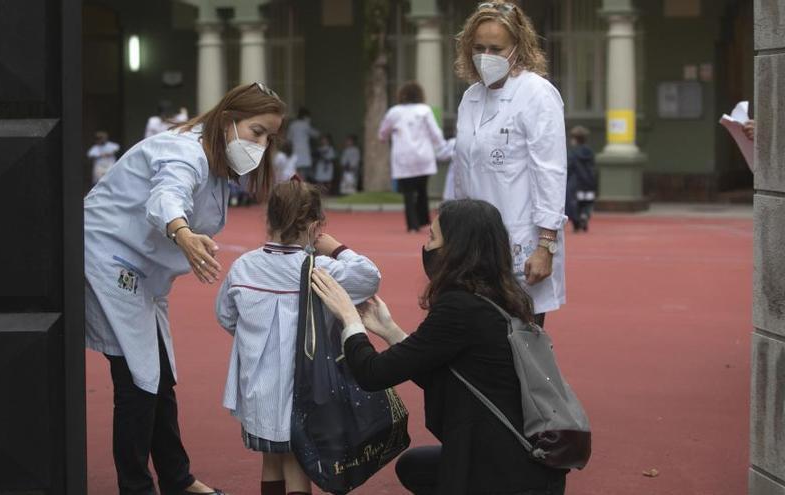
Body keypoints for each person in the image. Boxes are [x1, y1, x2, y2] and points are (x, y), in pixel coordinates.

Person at [84, 82, 285, 495]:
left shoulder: (212, 162)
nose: (262, 145)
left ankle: (178, 479)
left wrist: (185, 236)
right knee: (139, 379)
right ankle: (137, 488)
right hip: (110, 259)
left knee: (160, 376)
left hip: (142, 274)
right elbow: (166, 198)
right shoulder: (184, 151)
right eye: (257, 132)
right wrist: (183, 233)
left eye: (269, 137)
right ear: (229, 121)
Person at [309, 199, 568, 495]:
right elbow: (439, 374)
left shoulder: (460, 306)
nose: (428, 247)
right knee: (415, 467)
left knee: (426, 469)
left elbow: (373, 373)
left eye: (433, 238)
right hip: (529, 461)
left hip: (505, 469)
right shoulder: (504, 296)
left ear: (457, 248)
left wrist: (348, 317)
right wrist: (389, 329)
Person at [215, 180, 381, 495]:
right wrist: (337, 247)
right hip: (306, 383)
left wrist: (254, 335)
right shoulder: (320, 269)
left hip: (257, 383)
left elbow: (225, 315)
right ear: (316, 226)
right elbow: (369, 277)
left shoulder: (243, 267)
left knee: (272, 459)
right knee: (296, 463)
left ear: (269, 218)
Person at [450, 1, 567, 326]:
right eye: (478, 47)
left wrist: (546, 246)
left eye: (496, 48)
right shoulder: (471, 97)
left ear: (519, 46)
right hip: (473, 247)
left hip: (521, 245)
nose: (486, 55)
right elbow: (462, 173)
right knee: (477, 344)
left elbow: (550, 173)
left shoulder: (537, 94)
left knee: (518, 343)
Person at [379, 81, 446, 232]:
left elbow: (383, 132)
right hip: (423, 157)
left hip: (403, 158)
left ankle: (412, 225)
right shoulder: (425, 110)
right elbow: (435, 132)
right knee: (422, 190)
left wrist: (384, 138)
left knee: (408, 193)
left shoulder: (394, 112)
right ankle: (423, 220)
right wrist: (441, 146)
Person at [566, 126, 596, 232]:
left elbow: (569, 167)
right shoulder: (589, 152)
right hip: (588, 181)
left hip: (575, 182)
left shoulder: (572, 153)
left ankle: (577, 221)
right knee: (587, 202)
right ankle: (584, 215)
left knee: (575, 202)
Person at [287, 108, 320, 180]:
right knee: (303, 176)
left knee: (295, 175)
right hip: (304, 154)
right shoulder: (305, 125)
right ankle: (302, 190)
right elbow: (316, 134)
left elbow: (288, 140)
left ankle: (296, 190)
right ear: (306, 116)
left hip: (295, 153)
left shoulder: (292, 125)